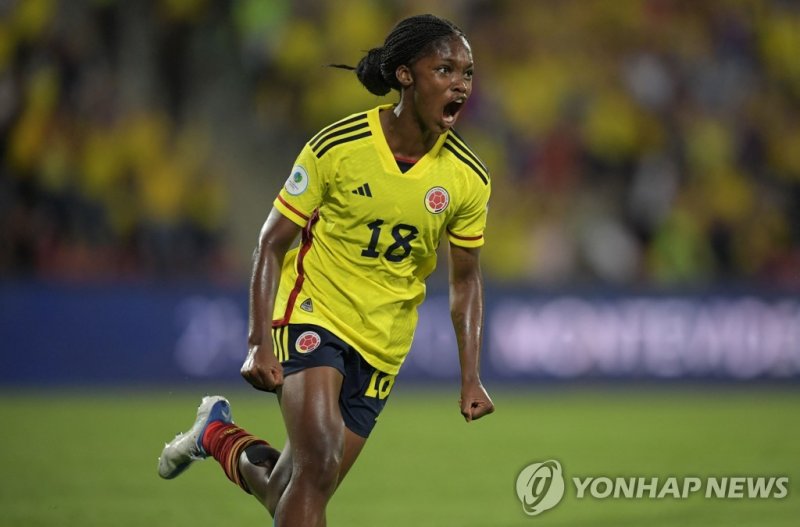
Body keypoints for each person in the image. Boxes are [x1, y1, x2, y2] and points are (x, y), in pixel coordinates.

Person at [157, 13, 494, 526]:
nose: (460, 84)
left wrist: (471, 377)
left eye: (467, 73)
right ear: (405, 75)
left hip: (383, 341)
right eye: (445, 69)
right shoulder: (338, 147)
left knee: (292, 488)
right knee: (318, 465)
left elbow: (465, 281)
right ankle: (220, 432)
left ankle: (215, 434)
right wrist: (259, 340)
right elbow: (271, 245)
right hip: (314, 311)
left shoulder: (468, 178)